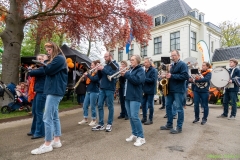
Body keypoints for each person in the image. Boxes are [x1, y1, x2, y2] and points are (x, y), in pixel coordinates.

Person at [31, 42, 68, 155]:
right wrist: (45, 63)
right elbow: (48, 70)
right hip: (53, 90)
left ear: (55, 48)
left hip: (55, 90)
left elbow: (48, 70)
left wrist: (44, 63)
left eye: (49, 49)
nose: (48, 51)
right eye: (46, 49)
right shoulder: (56, 59)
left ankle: (47, 144)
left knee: (47, 117)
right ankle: (56, 140)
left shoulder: (59, 58)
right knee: (54, 116)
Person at [160, 50, 188, 134]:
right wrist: (165, 75)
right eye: (171, 56)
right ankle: (169, 124)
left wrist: (172, 76)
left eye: (174, 55)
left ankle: (179, 127)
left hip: (178, 90)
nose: (172, 57)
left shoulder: (183, 64)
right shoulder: (171, 65)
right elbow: (170, 75)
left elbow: (185, 76)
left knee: (179, 108)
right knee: (168, 106)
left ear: (178, 55)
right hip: (170, 89)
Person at [121, 54, 146, 147]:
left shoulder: (141, 70)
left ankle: (141, 137)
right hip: (127, 95)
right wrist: (123, 75)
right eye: (130, 60)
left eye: (132, 60)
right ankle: (134, 134)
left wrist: (127, 74)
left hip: (135, 96)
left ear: (137, 61)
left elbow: (137, 81)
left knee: (135, 116)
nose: (130, 61)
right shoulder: (130, 70)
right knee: (131, 117)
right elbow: (127, 81)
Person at [92, 52, 119, 132]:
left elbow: (113, 75)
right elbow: (100, 77)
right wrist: (99, 70)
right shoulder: (106, 65)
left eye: (106, 57)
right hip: (102, 87)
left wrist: (103, 69)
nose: (104, 58)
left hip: (110, 88)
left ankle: (109, 123)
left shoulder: (115, 65)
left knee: (110, 106)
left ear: (110, 56)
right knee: (99, 105)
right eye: (104, 57)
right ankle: (101, 124)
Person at [27, 54, 47, 139]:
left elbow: (31, 73)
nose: (39, 60)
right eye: (38, 59)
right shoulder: (40, 68)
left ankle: (40, 132)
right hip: (38, 92)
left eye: (41, 59)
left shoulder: (44, 68)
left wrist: (30, 69)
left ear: (45, 60)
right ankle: (34, 130)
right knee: (35, 111)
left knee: (39, 112)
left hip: (42, 92)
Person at [78, 60, 100, 126]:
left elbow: (94, 79)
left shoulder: (98, 73)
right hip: (88, 90)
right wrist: (83, 79)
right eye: (91, 65)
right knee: (85, 105)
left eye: (92, 65)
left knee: (93, 106)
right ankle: (85, 119)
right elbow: (88, 82)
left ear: (96, 66)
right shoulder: (91, 72)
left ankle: (94, 120)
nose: (91, 66)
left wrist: (88, 75)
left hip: (94, 91)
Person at [141, 57, 157, 125]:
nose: (144, 63)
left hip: (150, 90)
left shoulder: (154, 70)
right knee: (143, 104)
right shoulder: (144, 70)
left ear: (150, 63)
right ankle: (144, 118)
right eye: (144, 62)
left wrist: (144, 79)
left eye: (146, 62)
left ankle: (150, 119)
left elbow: (153, 80)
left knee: (150, 105)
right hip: (144, 90)